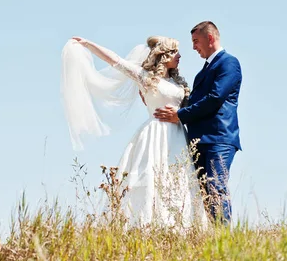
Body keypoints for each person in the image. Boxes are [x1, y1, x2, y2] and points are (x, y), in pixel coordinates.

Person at [61, 35, 207, 228]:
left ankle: (180, 226)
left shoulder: (178, 83)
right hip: (155, 134)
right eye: (174, 52)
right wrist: (88, 44)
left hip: (178, 136)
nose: (179, 55)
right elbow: (115, 61)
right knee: (150, 179)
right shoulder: (146, 78)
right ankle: (147, 225)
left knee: (178, 179)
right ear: (163, 56)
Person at [154, 21, 242, 224]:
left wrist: (180, 115)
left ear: (209, 38)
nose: (193, 47)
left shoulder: (229, 63)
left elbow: (214, 98)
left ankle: (223, 238)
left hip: (218, 139)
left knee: (216, 186)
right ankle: (211, 235)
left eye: (196, 41)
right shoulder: (203, 71)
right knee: (203, 192)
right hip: (199, 141)